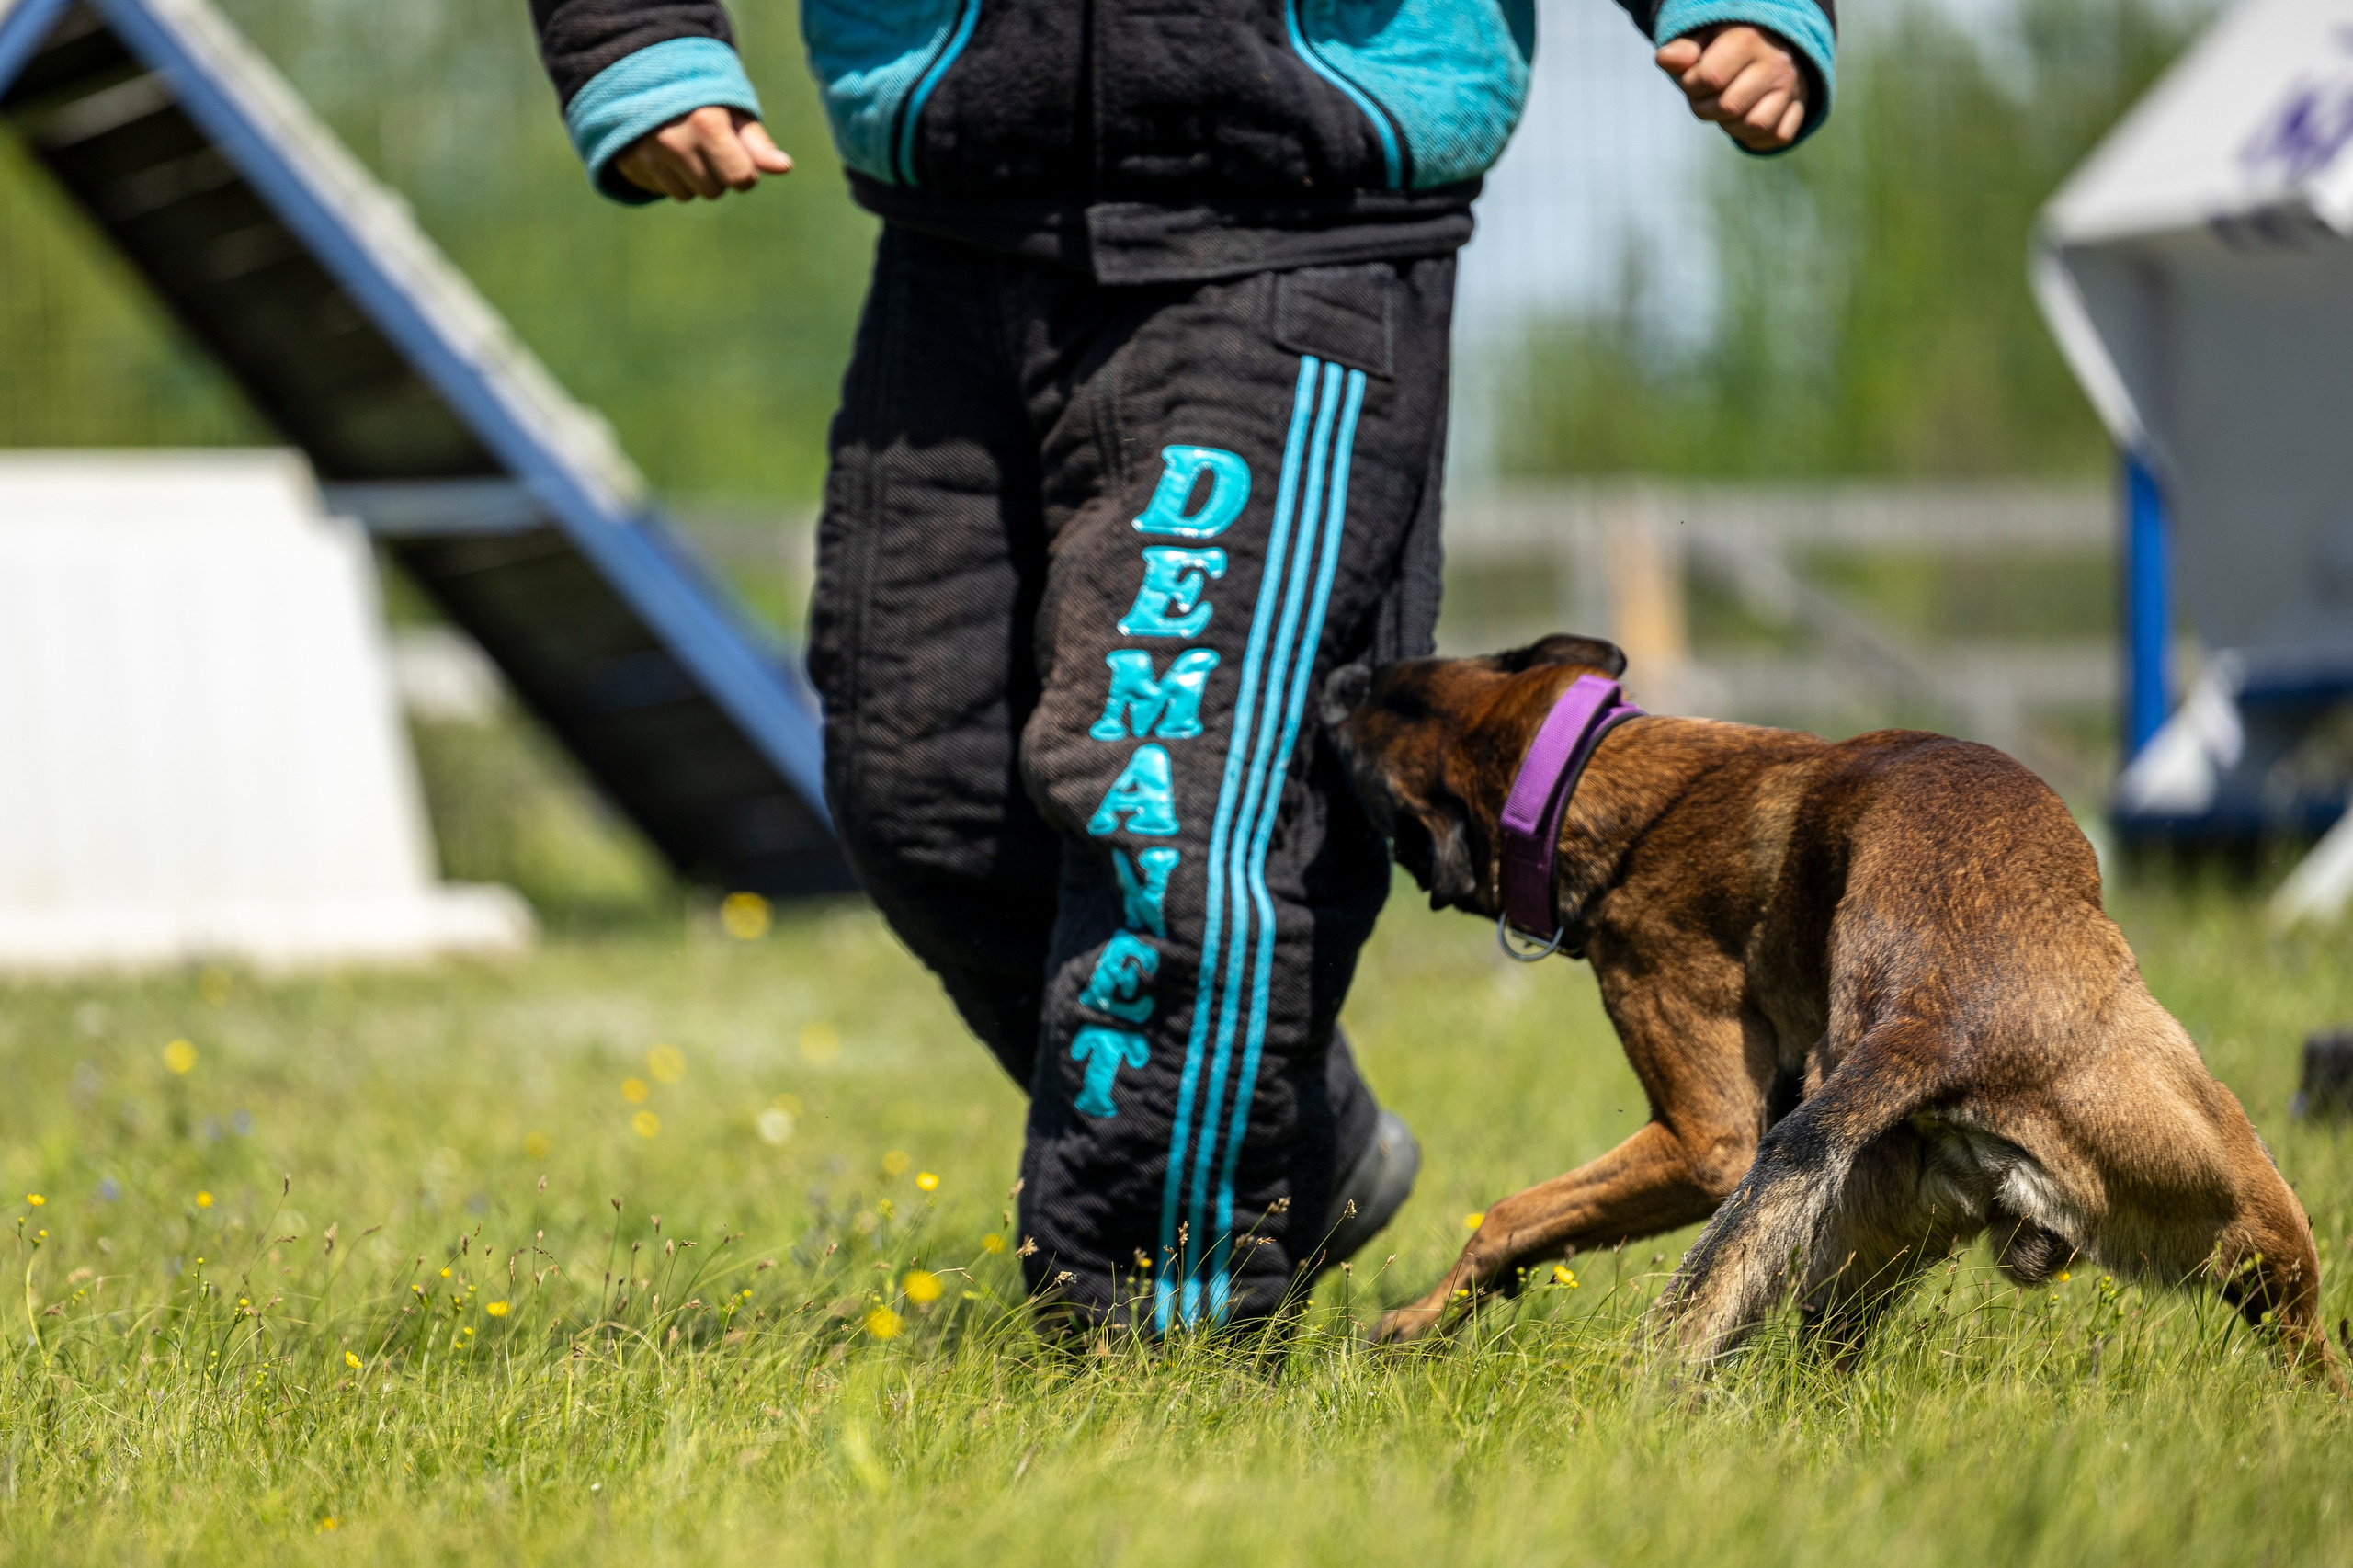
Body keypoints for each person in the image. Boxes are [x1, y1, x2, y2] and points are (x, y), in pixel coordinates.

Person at [528, 0, 1834, 1334]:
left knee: (1177, 822)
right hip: (952, 215)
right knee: (924, 803)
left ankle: (1159, 1334)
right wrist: (638, 35)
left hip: (1294, 213)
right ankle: (1292, 1132)